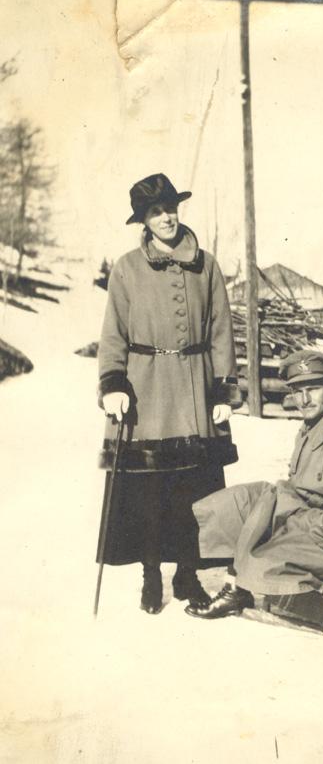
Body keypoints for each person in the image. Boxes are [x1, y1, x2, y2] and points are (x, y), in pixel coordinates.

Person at [186, 350, 323, 661]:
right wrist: (277, 504)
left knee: (265, 557)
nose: (304, 399)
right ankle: (236, 591)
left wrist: (311, 523)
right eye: (297, 391)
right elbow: (307, 488)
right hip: (314, 525)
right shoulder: (311, 430)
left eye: (313, 389)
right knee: (239, 505)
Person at [96, 173, 239, 615]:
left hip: (195, 390)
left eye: (171, 208)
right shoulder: (126, 268)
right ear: (143, 219)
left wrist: (222, 390)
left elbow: (221, 331)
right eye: (156, 212)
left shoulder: (207, 265)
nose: (166, 218)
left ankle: (188, 576)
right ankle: (151, 574)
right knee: (150, 494)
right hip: (146, 391)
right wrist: (113, 384)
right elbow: (113, 333)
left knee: (195, 492)